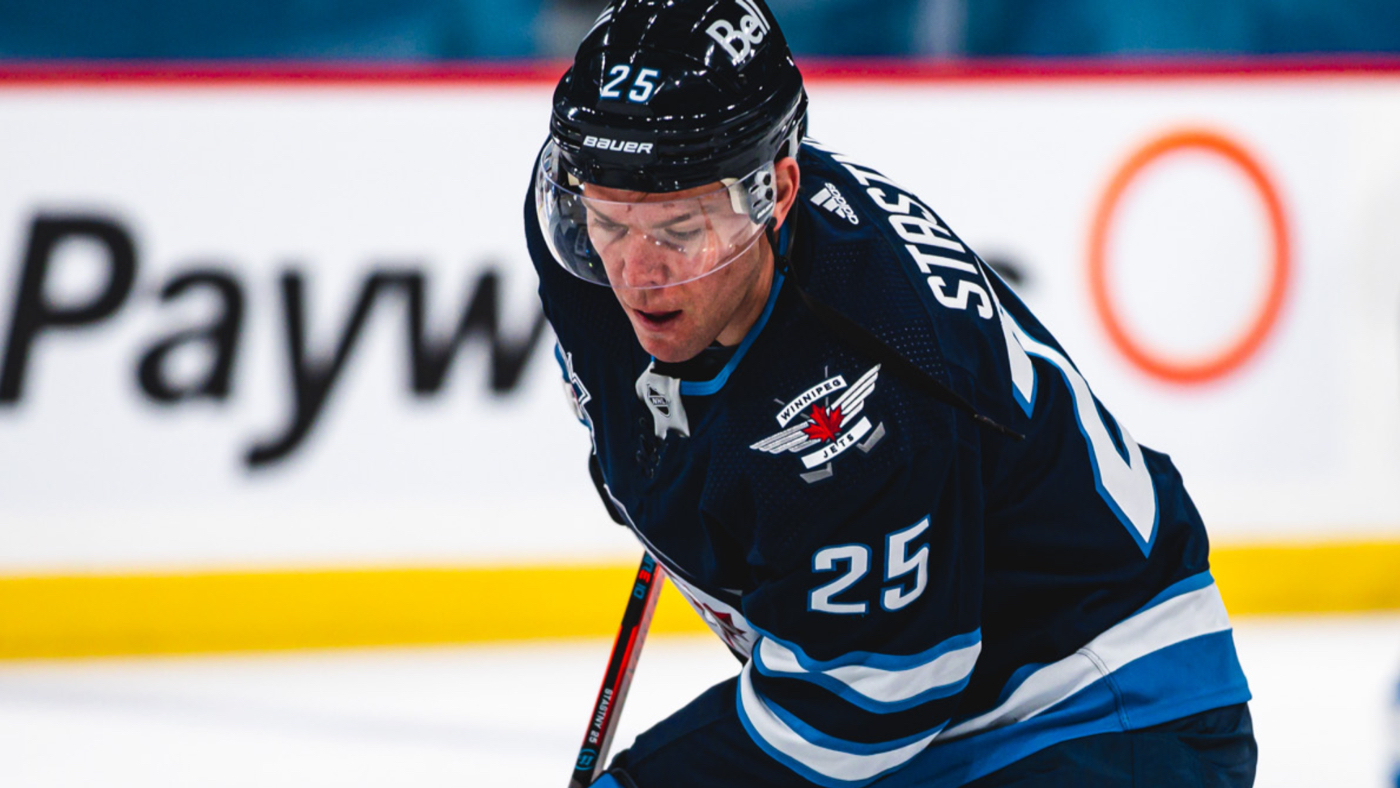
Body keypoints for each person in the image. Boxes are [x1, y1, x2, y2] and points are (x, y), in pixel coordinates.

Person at [524, 1, 1256, 785]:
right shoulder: (581, 255)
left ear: (776, 192)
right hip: (931, 717)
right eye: (609, 221)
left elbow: (862, 707)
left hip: (1104, 707)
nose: (636, 274)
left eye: (678, 230)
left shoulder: (871, 392)